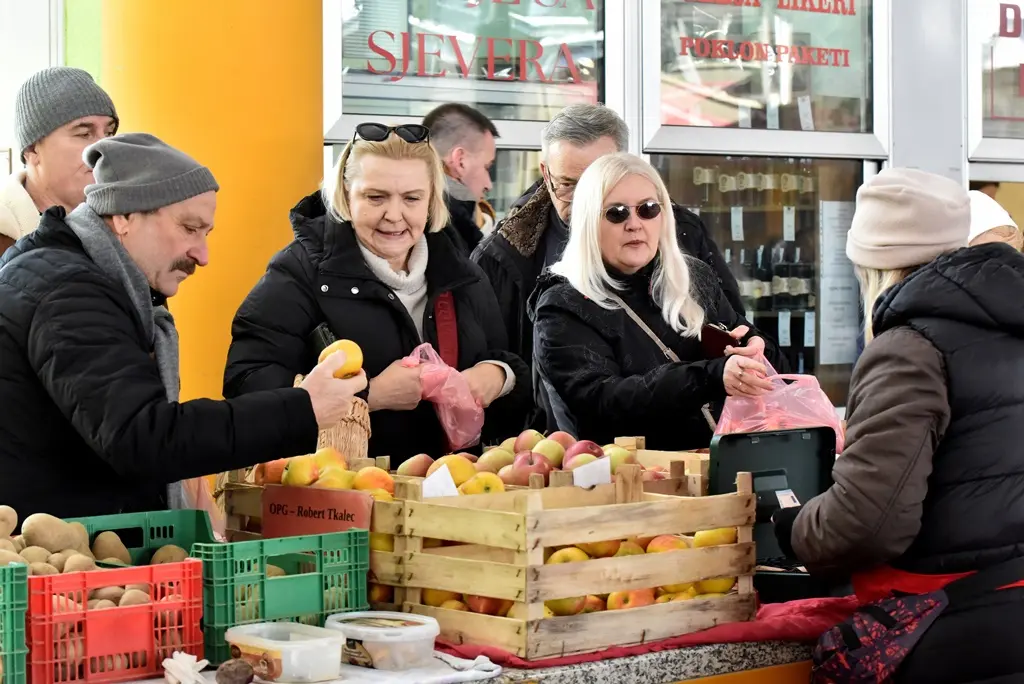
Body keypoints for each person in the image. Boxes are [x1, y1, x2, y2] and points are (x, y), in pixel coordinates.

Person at [0, 133, 367, 522]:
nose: (202, 255)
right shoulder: (69, 293)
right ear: (124, 217)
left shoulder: (74, 278)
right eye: (190, 228)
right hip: (49, 548)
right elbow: (142, 438)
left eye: (206, 234)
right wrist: (301, 409)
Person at [772, 168, 1024, 682]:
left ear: (873, 266)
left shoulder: (909, 349)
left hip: (961, 632)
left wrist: (791, 529)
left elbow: (869, 522)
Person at [223, 122, 531, 466]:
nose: (394, 215)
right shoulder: (298, 273)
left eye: (412, 198)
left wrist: (500, 375)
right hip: (340, 490)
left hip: (454, 490)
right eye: (375, 197)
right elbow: (246, 383)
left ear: (431, 199)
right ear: (346, 193)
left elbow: (513, 378)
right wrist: (371, 395)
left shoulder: (463, 274)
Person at [471, 103, 744, 429]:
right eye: (568, 184)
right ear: (545, 173)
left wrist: (746, 352)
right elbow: (501, 366)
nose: (585, 198)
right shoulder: (503, 256)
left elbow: (733, 328)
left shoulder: (681, 235)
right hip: (562, 444)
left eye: (601, 178)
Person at [529, 152, 785, 450]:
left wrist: (755, 349)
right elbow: (602, 401)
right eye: (616, 213)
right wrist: (711, 377)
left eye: (648, 209)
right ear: (589, 221)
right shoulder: (563, 304)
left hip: (724, 461)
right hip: (629, 472)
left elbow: (764, 353)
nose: (634, 224)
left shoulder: (692, 276)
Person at [0, 67, 118, 254]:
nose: (104, 147)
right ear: (32, 149)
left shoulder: (123, 227)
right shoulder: (5, 237)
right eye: (84, 134)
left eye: (109, 133)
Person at [422, 103, 499, 256]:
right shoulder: (452, 230)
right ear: (460, 161)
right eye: (486, 167)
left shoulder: (420, 216)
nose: (488, 185)